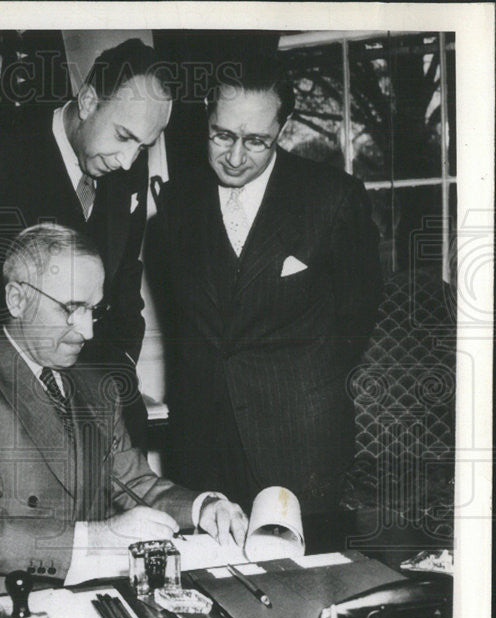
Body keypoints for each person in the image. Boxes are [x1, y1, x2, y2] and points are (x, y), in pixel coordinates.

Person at [0, 224, 247, 598]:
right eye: (71, 309)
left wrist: (202, 507)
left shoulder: (96, 387)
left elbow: (133, 484)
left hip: (77, 591)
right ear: (17, 299)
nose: (86, 331)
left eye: (93, 310)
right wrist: (98, 539)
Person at [157, 54, 383, 550]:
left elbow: (356, 315)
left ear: (282, 128)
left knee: (308, 599)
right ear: (206, 118)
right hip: (203, 449)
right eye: (222, 135)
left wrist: (302, 385)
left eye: (256, 140)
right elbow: (186, 324)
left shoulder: (332, 198)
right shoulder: (175, 204)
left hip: (300, 447)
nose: (236, 156)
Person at [0, 37, 175, 448]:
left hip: (108, 414)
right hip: (17, 422)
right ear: (87, 101)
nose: (128, 161)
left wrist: (116, 376)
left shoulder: (127, 167)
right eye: (122, 136)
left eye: (144, 147)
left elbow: (125, 290)